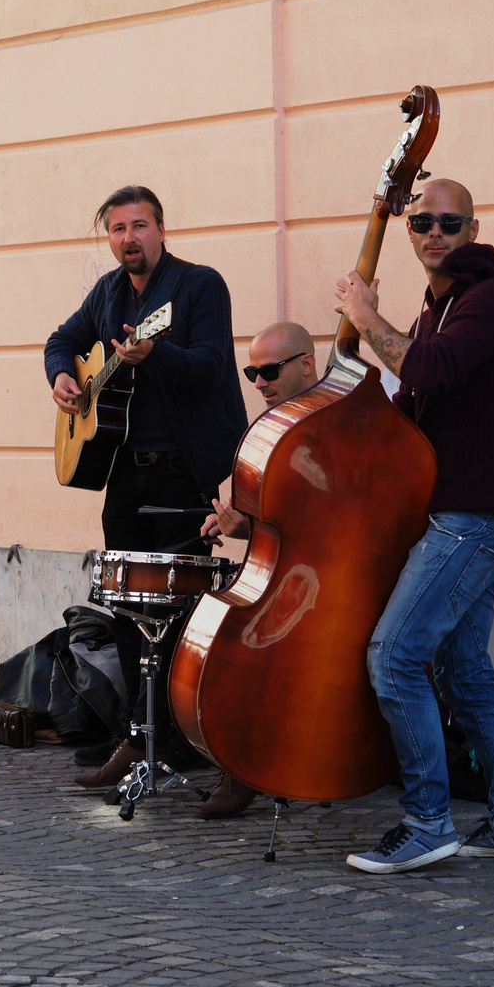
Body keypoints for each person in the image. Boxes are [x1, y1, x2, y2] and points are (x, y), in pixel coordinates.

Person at [331, 179, 494, 873]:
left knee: (393, 657)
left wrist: (365, 317)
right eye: (421, 222)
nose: (433, 232)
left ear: (473, 229)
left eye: (449, 222)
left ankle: (427, 822)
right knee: (464, 669)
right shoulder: (437, 309)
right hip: (469, 515)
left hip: (472, 518)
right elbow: (409, 401)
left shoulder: (493, 302)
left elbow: (429, 372)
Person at [45, 185, 247, 789]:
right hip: (128, 471)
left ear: (161, 229)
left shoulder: (198, 285)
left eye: (139, 226)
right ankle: (138, 737)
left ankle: (182, 736)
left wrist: (152, 355)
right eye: (117, 229)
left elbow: (211, 366)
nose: (128, 238)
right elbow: (62, 339)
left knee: (182, 609)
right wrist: (61, 375)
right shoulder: (108, 293)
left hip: (188, 470)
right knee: (127, 606)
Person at [193, 320, 320, 818]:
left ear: (307, 363)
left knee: (243, 651)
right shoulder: (270, 429)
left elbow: (319, 517)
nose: (259, 383)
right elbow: (263, 515)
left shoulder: (325, 422)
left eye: (269, 371)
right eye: (252, 373)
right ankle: (240, 761)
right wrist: (233, 522)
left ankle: (248, 768)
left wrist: (251, 531)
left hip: (319, 579)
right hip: (280, 572)